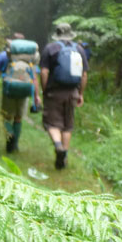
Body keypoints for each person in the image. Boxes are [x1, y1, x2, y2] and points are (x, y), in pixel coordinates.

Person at [40, 23, 89, 169]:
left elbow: (44, 72)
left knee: (52, 123)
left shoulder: (50, 48)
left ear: (57, 34)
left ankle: (58, 145)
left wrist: (44, 90)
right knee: (67, 125)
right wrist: (80, 93)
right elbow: (84, 75)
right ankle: (64, 157)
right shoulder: (79, 49)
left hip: (54, 92)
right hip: (72, 92)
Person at [0, 33, 42, 153]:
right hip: (24, 89)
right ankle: (15, 146)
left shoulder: (4, 55)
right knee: (18, 118)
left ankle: (10, 135)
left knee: (7, 117)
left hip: (9, 90)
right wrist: (36, 96)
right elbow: (34, 78)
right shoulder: (30, 59)